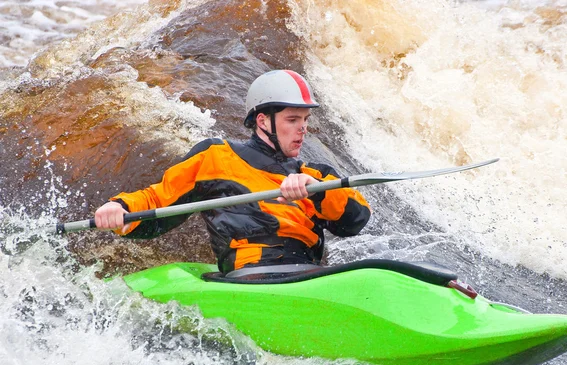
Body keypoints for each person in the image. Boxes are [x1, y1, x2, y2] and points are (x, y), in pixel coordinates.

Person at [94, 70, 371, 274]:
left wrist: (316, 188)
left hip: (307, 274)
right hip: (249, 274)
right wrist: (121, 209)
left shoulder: (314, 174)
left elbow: (355, 219)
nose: (302, 129)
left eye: (305, 120)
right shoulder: (215, 157)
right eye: (292, 119)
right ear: (263, 121)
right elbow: (159, 200)